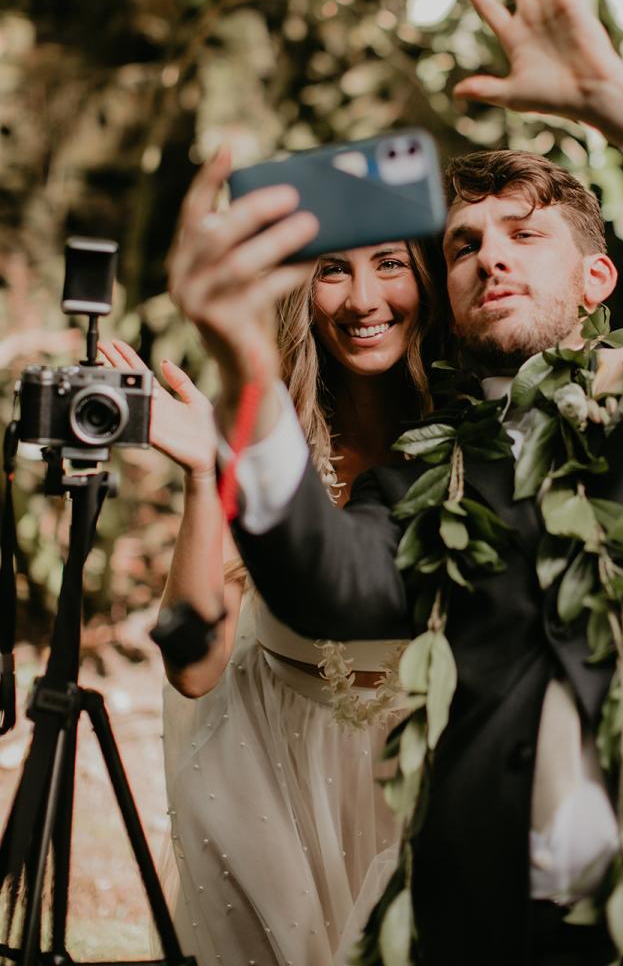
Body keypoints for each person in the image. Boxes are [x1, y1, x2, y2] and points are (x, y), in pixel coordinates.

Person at [167, 0, 623, 966]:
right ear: (448, 299)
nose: (488, 258)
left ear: (596, 278)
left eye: (523, 235)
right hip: (491, 912)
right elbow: (323, 583)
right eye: (461, 246)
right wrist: (243, 370)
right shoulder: (428, 470)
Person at [100, 236, 437, 966]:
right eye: (331, 272)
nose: (363, 299)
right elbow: (194, 669)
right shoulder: (259, 432)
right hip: (276, 769)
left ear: (427, 280)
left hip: (424, 766)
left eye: (390, 264)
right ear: (301, 294)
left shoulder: (475, 427)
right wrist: (203, 471)